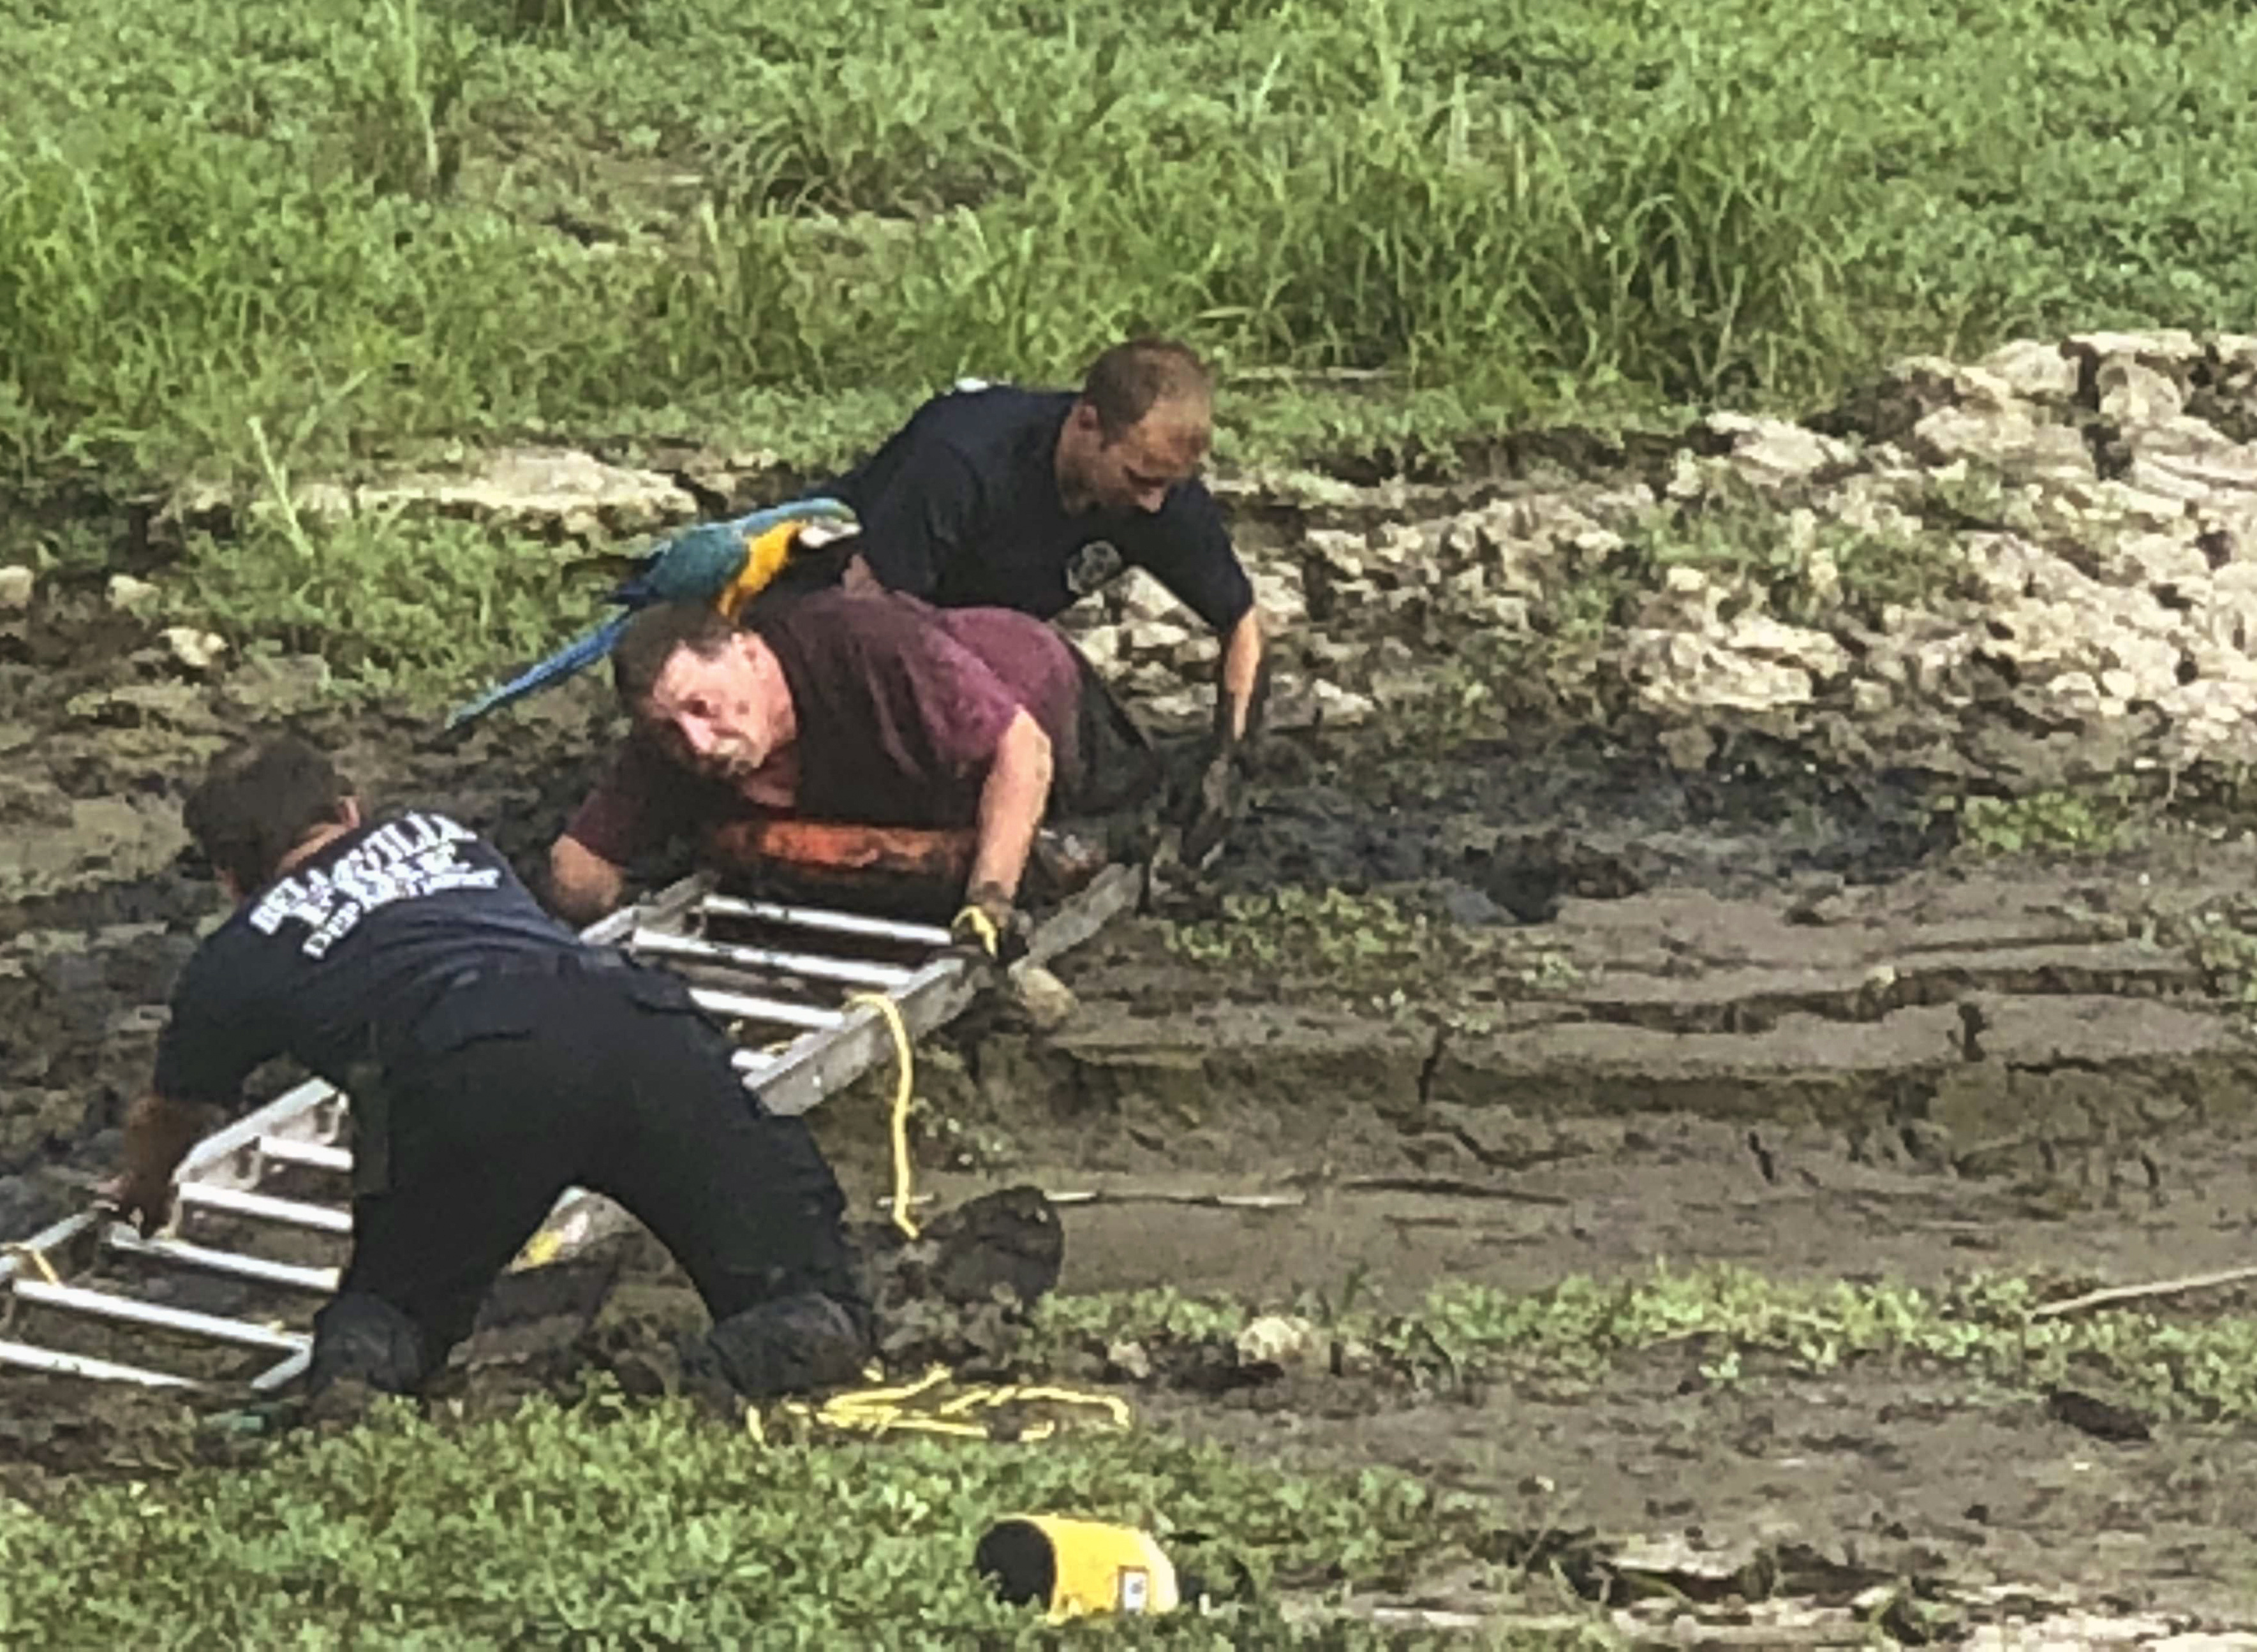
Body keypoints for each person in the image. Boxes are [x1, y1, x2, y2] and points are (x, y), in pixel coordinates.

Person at [103, 734, 875, 1407]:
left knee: (396, 1308)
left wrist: (145, 1185)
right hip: (631, 1018)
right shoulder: (438, 833)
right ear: (348, 810)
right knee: (799, 1283)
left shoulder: (238, 952)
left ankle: (355, 1395)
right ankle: (733, 1358)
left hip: (466, 1058)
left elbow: (172, 1112)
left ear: (230, 877)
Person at [813, 338, 1269, 851]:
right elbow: (866, 621)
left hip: (973, 637)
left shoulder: (1159, 495)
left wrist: (1231, 758)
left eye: (1167, 485)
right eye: (1139, 479)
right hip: (839, 603)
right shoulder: (961, 458)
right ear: (1087, 423)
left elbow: (1241, 622)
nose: (1153, 505)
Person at [546, 589, 1156, 939]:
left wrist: (990, 901)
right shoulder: (674, 741)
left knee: (1065, 844)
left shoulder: (864, 648)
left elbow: (1022, 750)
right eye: (670, 730)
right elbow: (576, 866)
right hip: (872, 821)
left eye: (705, 708)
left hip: (1038, 706)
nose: (700, 744)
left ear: (747, 654)